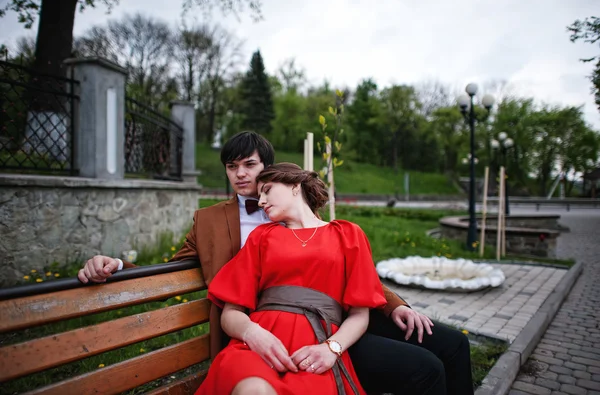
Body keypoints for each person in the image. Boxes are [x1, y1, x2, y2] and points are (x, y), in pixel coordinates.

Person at [78, 131, 473, 395]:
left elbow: (344, 263)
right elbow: (172, 268)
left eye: (248, 165)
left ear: (266, 167)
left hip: (336, 311)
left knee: (452, 345)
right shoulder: (212, 221)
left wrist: (395, 304)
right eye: (232, 167)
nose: (239, 174)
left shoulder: (304, 213)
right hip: (266, 318)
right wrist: (116, 264)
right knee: (422, 368)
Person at [196, 162, 386, 394]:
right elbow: (230, 313)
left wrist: (331, 348)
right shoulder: (262, 237)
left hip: (314, 355)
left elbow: (359, 315)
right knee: (255, 390)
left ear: (295, 186)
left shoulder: (347, 234)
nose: (261, 201)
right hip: (255, 348)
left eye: (267, 190)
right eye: (259, 196)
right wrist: (252, 333)